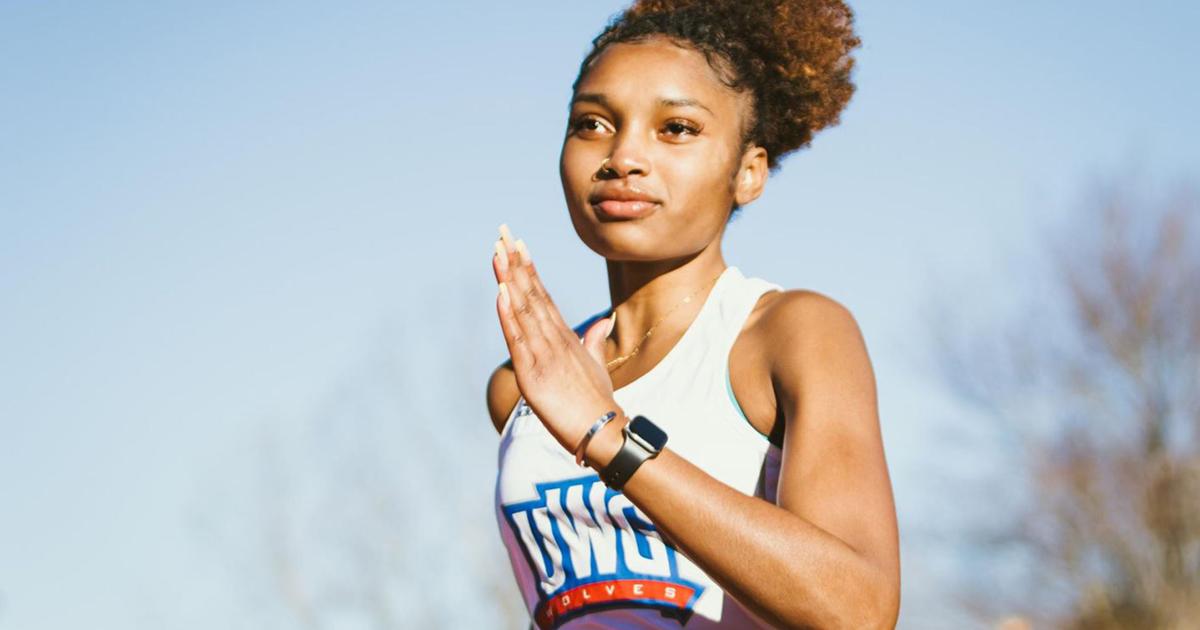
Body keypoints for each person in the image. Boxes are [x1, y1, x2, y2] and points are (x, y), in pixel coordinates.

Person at [486, 1, 899, 627]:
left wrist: (608, 437)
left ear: (748, 172)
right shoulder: (527, 384)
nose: (623, 157)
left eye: (676, 128)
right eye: (592, 123)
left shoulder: (789, 334)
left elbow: (856, 609)